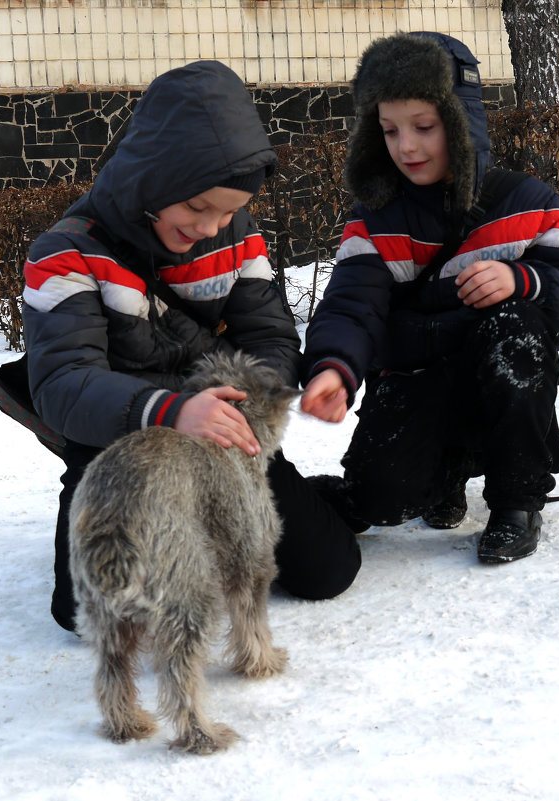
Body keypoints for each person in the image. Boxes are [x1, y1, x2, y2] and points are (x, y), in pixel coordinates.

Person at [21, 61, 361, 632]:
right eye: (197, 207)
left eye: (228, 210)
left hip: (223, 438)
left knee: (329, 569)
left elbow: (270, 335)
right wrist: (171, 411)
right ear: (153, 181)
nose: (211, 226)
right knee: (87, 610)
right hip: (120, 446)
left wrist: (244, 402)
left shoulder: (235, 233)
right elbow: (63, 383)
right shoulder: (65, 253)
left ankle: (258, 508)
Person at [301, 32, 559, 563]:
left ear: (460, 121)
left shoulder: (527, 202)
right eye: (389, 130)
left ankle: (517, 499)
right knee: (380, 499)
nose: (407, 147)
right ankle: (438, 475)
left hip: (502, 385)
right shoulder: (374, 221)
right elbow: (353, 306)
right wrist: (333, 367)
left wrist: (527, 282)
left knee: (514, 326)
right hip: (416, 385)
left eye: (424, 126)